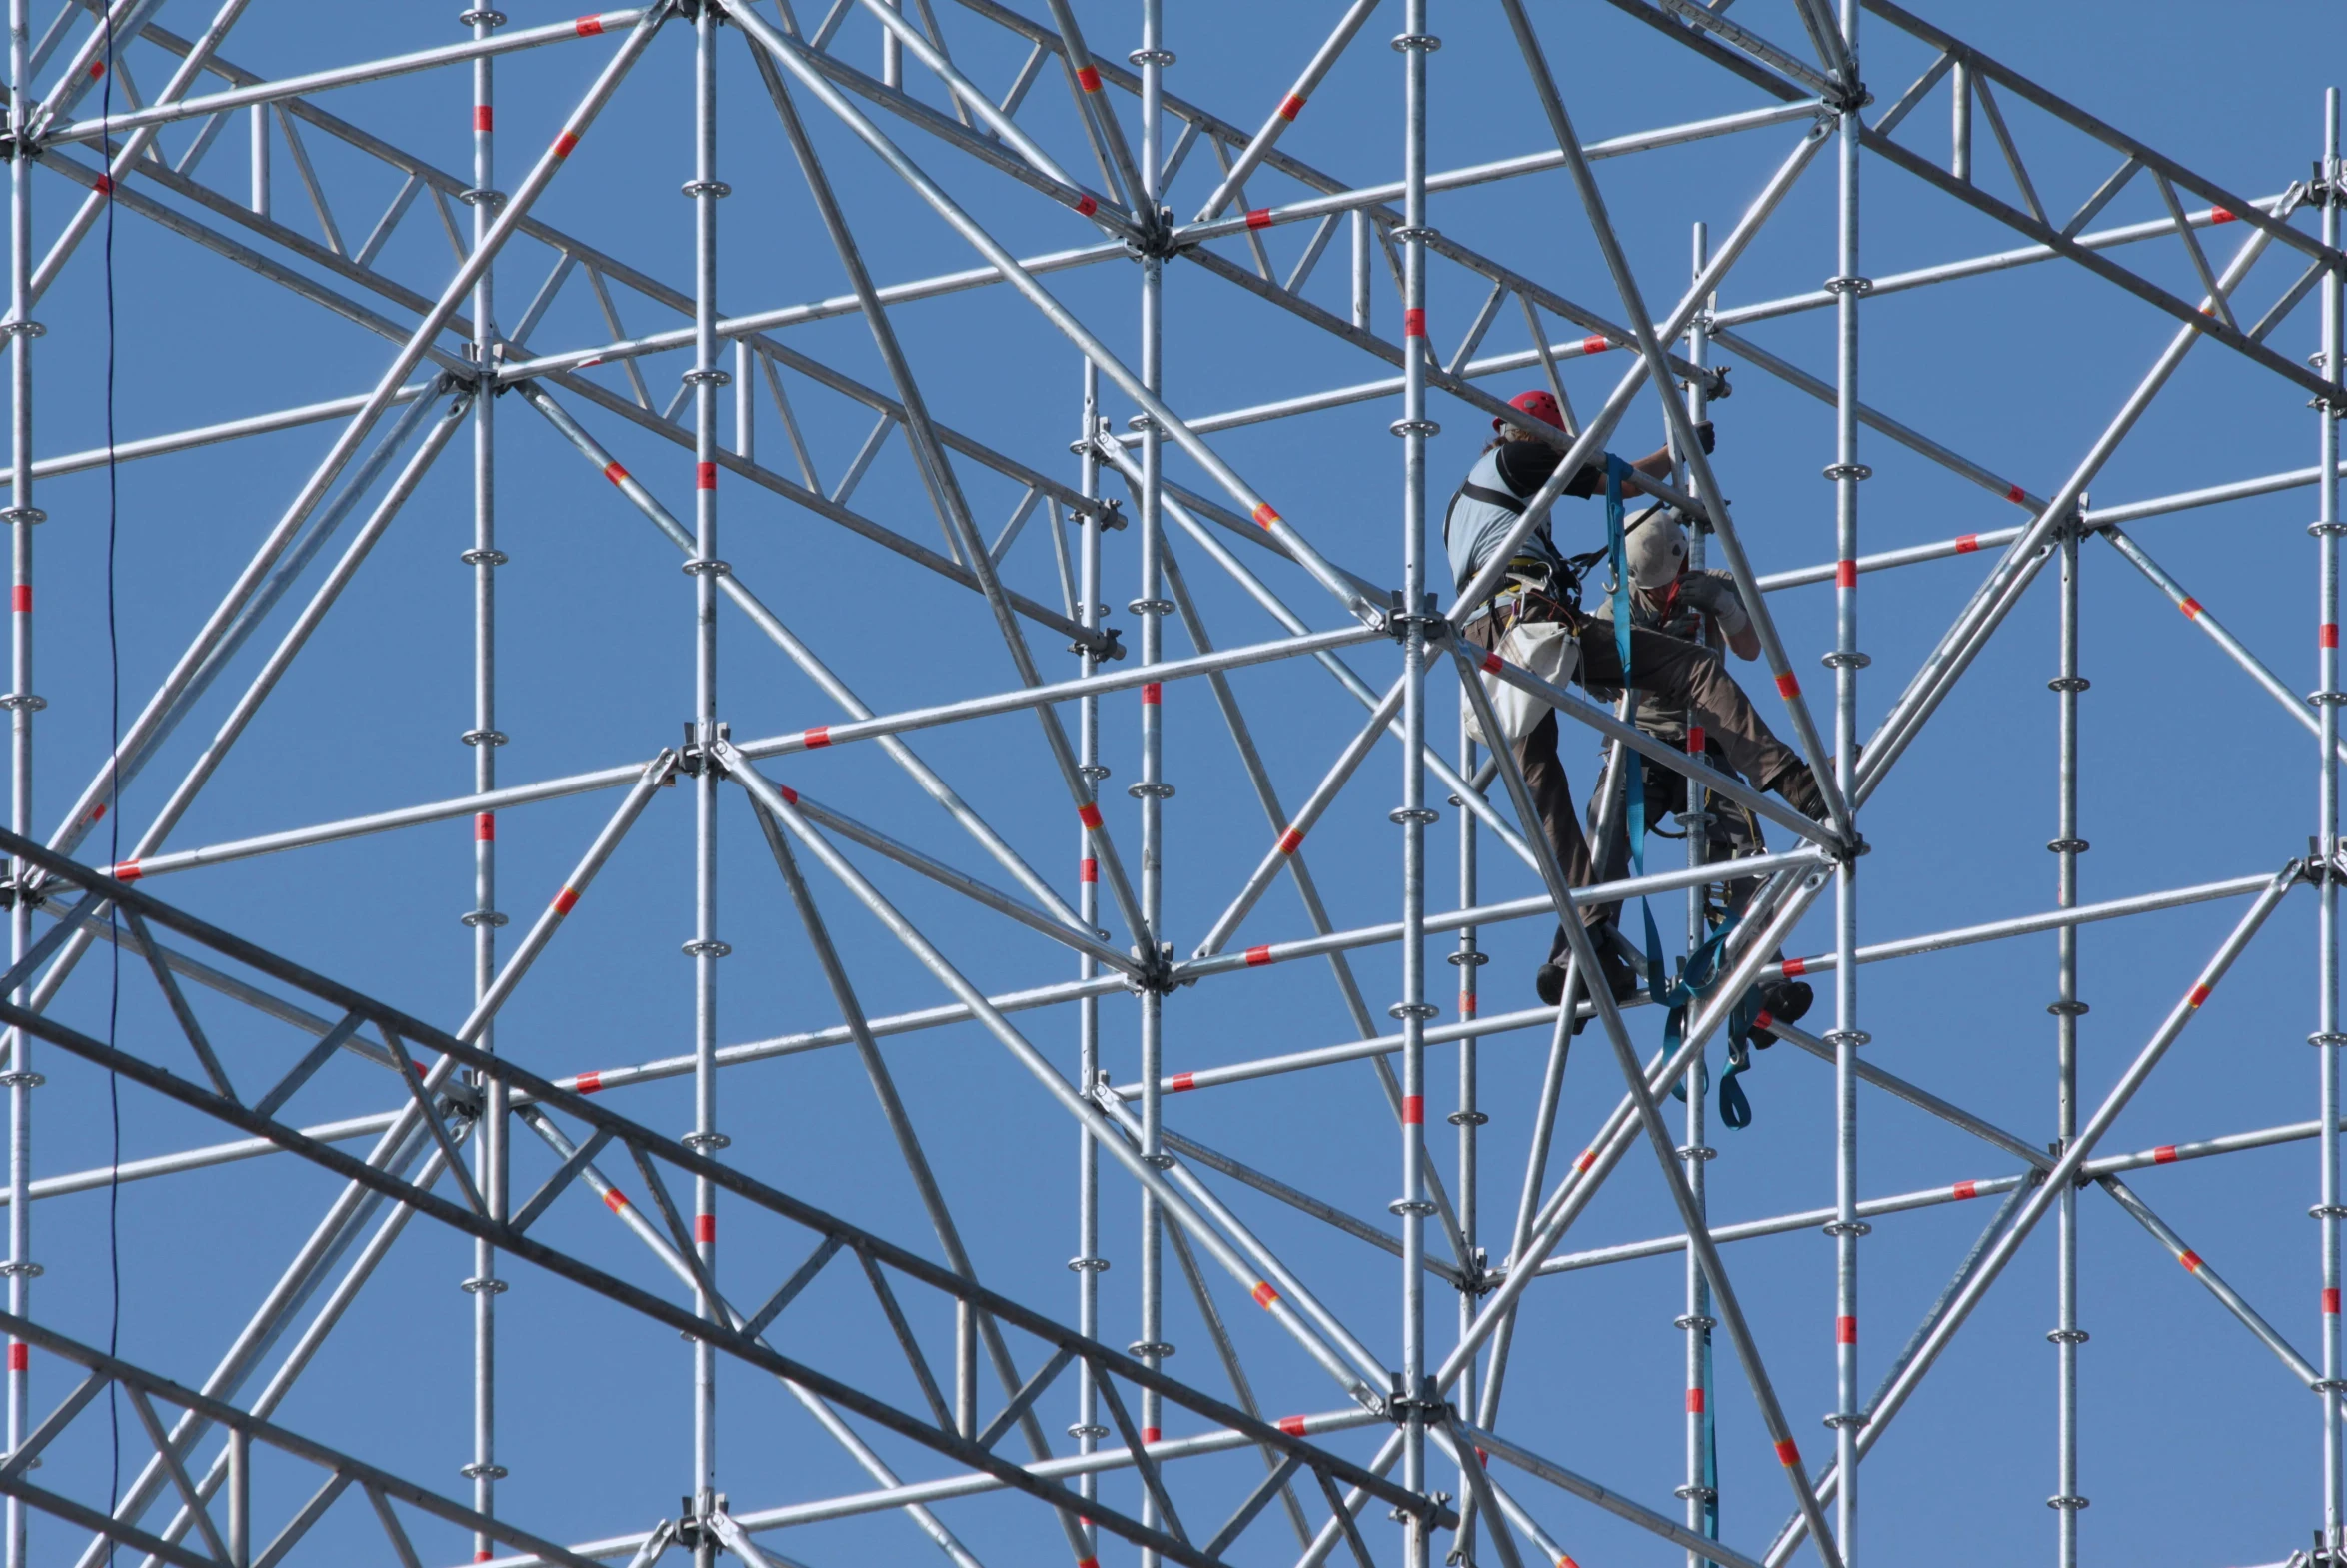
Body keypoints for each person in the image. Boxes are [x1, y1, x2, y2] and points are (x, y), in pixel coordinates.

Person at [1445, 389, 1826, 1010]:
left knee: (1543, 783)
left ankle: (1586, 945)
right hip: (1532, 626)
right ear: (1535, 435)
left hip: (1492, 640)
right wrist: (1677, 454)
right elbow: (1612, 481)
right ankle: (1795, 784)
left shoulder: (1474, 504)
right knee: (1692, 671)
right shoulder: (1518, 462)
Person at [1586, 510, 1814, 1026]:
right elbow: (1602, 686)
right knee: (1606, 834)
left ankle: (1761, 974)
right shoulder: (1613, 607)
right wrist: (1633, 644)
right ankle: (1586, 952)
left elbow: (1752, 649)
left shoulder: (1711, 583)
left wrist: (1726, 610)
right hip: (1640, 741)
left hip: (1708, 744)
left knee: (1742, 855)